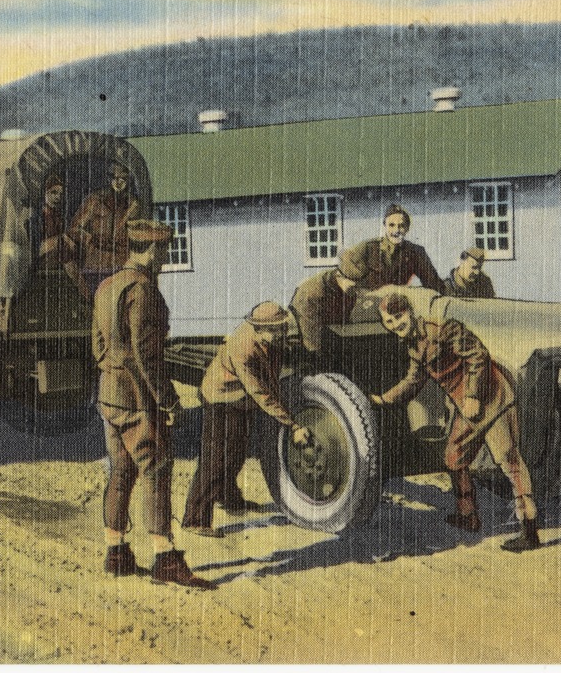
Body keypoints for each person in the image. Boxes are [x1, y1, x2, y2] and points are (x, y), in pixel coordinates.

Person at [91, 218, 215, 588]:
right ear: (153, 249)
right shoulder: (142, 290)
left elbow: (98, 346)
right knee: (156, 469)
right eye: (164, 250)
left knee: (122, 470)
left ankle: (116, 551)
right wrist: (169, 401)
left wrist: (113, 370)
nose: (165, 257)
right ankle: (165, 558)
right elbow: (148, 357)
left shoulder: (106, 286)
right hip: (137, 399)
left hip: (109, 394)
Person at [370, 291, 541, 553]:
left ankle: (530, 532)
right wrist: (384, 399)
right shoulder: (414, 346)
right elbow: (414, 380)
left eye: (398, 317)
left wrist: (473, 395)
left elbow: (478, 356)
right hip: (466, 406)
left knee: (509, 460)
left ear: (409, 312)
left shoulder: (443, 329)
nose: (395, 324)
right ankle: (468, 516)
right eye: (389, 321)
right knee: (454, 457)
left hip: (490, 396)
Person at [181, 302, 313, 538]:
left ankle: (229, 499)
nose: (283, 333)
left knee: (237, 452)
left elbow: (271, 376)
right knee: (215, 459)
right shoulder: (242, 347)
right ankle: (195, 518)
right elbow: (260, 392)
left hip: (240, 400)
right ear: (261, 329)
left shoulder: (269, 339)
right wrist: (292, 424)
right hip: (220, 399)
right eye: (278, 330)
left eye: (283, 328)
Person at [290, 203, 445, 356]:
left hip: (390, 308)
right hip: (358, 304)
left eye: (401, 226)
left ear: (407, 228)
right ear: (385, 226)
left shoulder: (415, 252)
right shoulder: (368, 248)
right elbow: (346, 271)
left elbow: (433, 282)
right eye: (391, 225)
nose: (396, 230)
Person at [71, 161, 143, 297]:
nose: (119, 182)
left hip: (122, 266)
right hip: (95, 266)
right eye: (114, 177)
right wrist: (92, 239)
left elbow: (137, 233)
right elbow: (74, 228)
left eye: (123, 178)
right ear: (109, 178)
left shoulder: (133, 205)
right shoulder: (94, 200)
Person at [34, 173, 90, 299]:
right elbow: (38, 244)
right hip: (41, 256)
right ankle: (86, 294)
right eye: (53, 193)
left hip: (57, 254)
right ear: (45, 193)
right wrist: (65, 239)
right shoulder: (40, 215)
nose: (57, 197)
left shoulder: (57, 215)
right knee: (64, 246)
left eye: (60, 194)